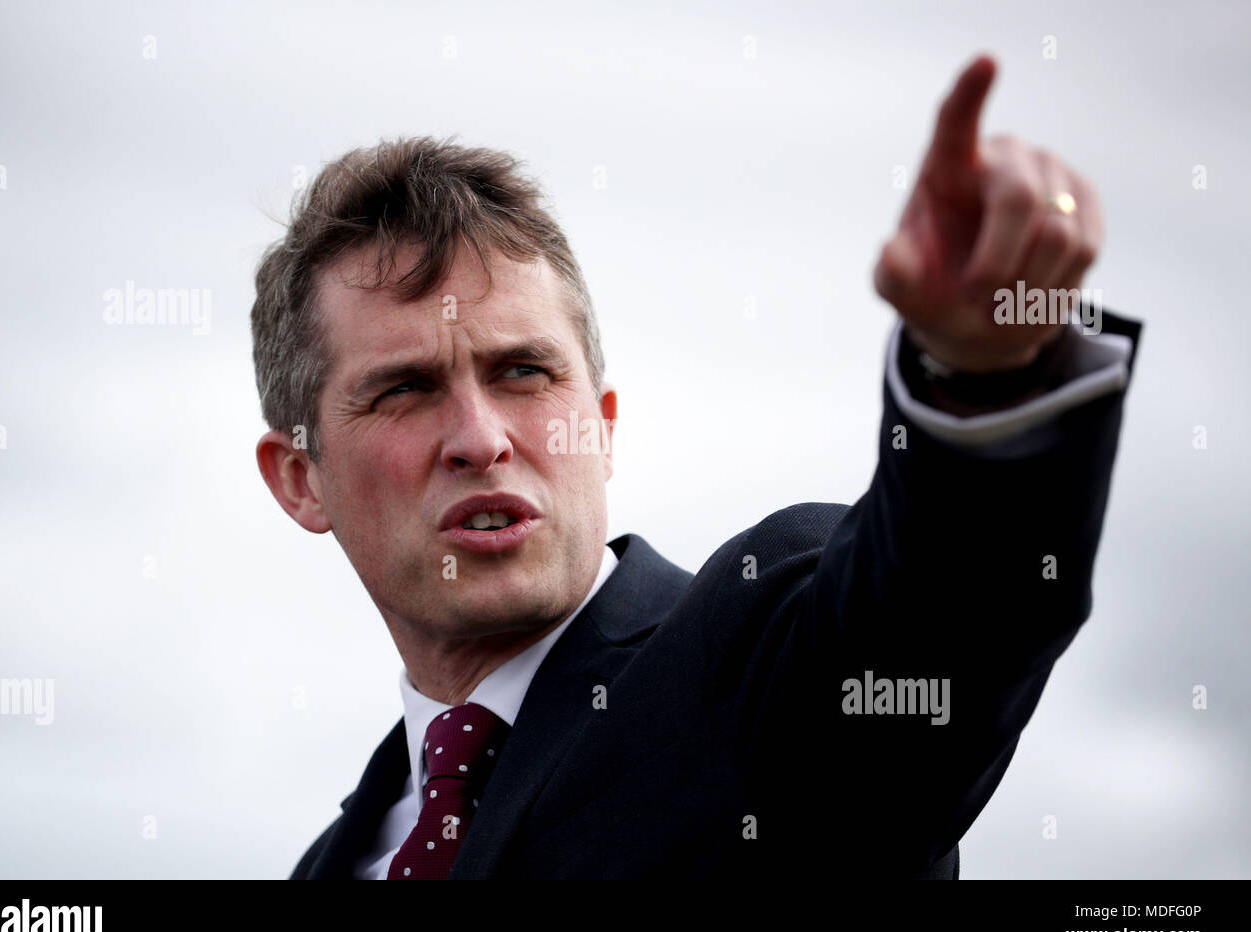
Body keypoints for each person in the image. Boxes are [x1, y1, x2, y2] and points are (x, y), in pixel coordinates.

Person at [251, 54, 1140, 878]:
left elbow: (936, 619)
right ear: (300, 477)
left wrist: (982, 377)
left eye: (523, 371)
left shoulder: (754, 668)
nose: (481, 438)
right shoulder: (332, 860)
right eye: (404, 389)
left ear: (600, 430)